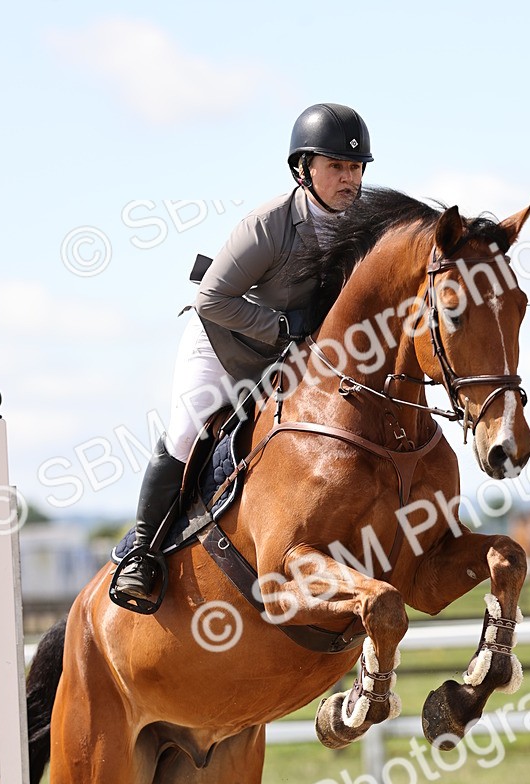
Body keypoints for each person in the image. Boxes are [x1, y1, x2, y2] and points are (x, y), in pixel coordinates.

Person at [112, 102, 373, 606]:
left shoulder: (364, 227)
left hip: (292, 355)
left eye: (356, 167)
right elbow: (211, 298)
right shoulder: (268, 224)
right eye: (337, 166)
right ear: (304, 168)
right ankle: (141, 554)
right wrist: (281, 326)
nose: (349, 178)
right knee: (187, 432)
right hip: (223, 342)